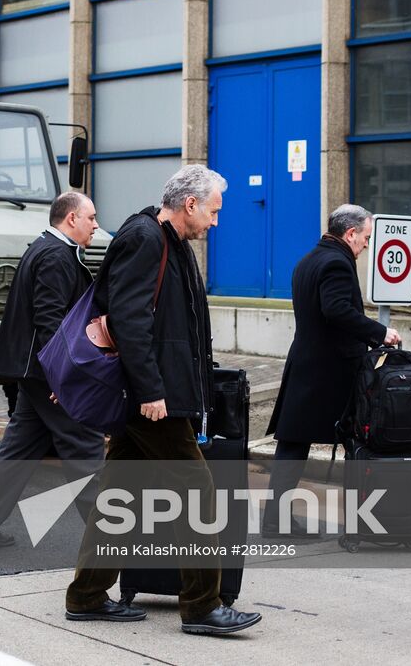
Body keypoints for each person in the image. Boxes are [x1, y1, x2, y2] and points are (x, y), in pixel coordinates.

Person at [64, 165, 262, 637]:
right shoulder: (146, 239)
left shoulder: (172, 243)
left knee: (119, 497)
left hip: (154, 396)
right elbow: (130, 320)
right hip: (150, 400)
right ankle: (202, 606)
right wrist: (151, 390)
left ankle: (87, 596)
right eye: (213, 211)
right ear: (190, 204)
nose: (216, 222)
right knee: (199, 494)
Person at [0, 192, 106, 550]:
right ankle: (110, 541)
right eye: (90, 218)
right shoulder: (56, 256)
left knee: (16, 453)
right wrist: (65, 378)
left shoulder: (47, 248)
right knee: (85, 447)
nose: (96, 225)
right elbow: (50, 323)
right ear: (71, 219)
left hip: (34, 372)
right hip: (48, 375)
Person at [262, 204, 401, 535]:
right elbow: (336, 310)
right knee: (357, 440)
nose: (367, 244)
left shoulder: (308, 259)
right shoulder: (338, 262)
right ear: (350, 233)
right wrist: (379, 332)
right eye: (366, 237)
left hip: (306, 365)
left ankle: (275, 519)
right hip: (330, 372)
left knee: (293, 444)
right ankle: (364, 520)